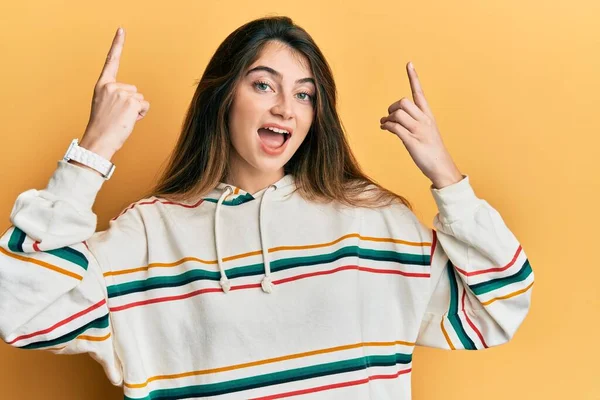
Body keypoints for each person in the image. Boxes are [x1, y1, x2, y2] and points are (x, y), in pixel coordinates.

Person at [0, 16, 534, 400]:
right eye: (263, 85)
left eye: (304, 94)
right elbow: (18, 311)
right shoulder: (147, 234)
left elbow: (498, 308)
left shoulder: (372, 221)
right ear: (223, 97)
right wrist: (91, 153)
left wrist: (446, 177)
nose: (285, 107)